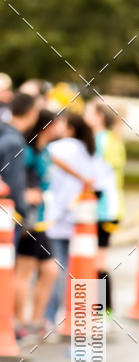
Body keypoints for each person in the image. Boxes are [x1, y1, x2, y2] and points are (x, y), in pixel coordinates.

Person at [44, 112, 96, 327]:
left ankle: (48, 316)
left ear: (71, 128)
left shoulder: (60, 147)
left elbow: (42, 154)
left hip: (57, 213)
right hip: (79, 217)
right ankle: (70, 314)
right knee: (72, 266)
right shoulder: (87, 150)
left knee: (56, 267)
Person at [14, 110, 60, 341]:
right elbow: (15, 179)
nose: (59, 129)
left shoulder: (45, 151)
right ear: (47, 126)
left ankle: (35, 320)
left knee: (50, 271)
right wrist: (25, 194)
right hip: (27, 220)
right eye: (56, 124)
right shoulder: (28, 150)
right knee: (24, 270)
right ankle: (20, 322)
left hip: (41, 219)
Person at [84, 99, 126, 317]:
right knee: (97, 260)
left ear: (99, 117)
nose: (84, 115)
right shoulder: (110, 139)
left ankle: (102, 311)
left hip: (104, 210)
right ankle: (103, 310)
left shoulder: (102, 140)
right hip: (108, 208)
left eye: (88, 111)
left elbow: (97, 176)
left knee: (97, 261)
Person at [0, 92, 39, 225]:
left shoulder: (5, 134)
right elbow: (13, 182)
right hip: (8, 214)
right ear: (31, 112)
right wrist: (23, 211)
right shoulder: (15, 142)